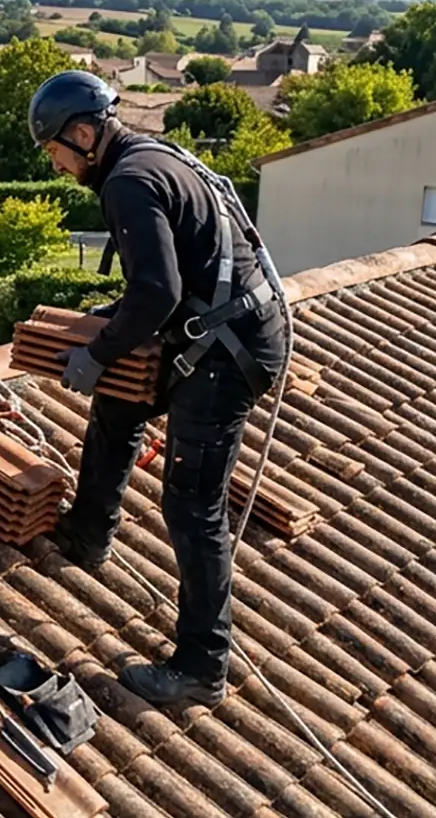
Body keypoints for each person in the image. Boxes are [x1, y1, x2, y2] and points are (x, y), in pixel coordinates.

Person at [29, 70, 289, 707]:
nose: (56, 165)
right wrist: (110, 340)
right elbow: (167, 275)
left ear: (84, 134)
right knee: (119, 403)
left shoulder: (127, 181)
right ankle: (89, 532)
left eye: (55, 150)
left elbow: (158, 293)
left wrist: (96, 351)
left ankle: (203, 666)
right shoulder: (151, 157)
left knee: (192, 504)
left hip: (228, 351)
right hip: (221, 327)